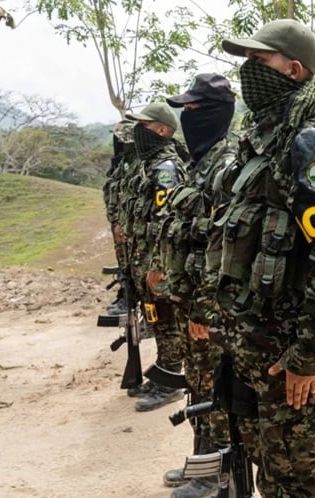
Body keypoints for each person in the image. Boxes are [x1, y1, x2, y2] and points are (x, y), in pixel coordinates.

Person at [213, 18, 315, 497]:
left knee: (291, 479)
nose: (248, 69)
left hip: (289, 353)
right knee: (263, 467)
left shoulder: (308, 143)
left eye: (259, 59)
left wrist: (307, 354)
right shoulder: (257, 142)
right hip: (253, 345)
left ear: (293, 70)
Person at [158, 73, 240, 497]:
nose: (187, 117)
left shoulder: (226, 166)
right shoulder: (198, 164)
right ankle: (202, 463)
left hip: (211, 311)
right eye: (184, 110)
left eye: (193, 109)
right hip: (193, 305)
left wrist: (205, 311)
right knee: (198, 385)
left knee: (215, 391)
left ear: (215, 113)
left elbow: (223, 247)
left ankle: (217, 474)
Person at [122, 101, 189, 412]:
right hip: (143, 262)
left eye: (144, 125)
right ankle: (163, 371)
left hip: (158, 265)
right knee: (156, 319)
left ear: (163, 130)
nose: (138, 131)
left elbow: (169, 219)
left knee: (167, 320)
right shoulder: (146, 166)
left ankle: (171, 381)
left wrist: (159, 266)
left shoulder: (166, 168)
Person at [101, 119, 135, 317]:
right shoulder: (118, 165)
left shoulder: (132, 166)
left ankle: (130, 300)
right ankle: (125, 296)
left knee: (132, 268)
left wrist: (123, 223)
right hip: (118, 226)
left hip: (129, 229)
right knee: (124, 266)